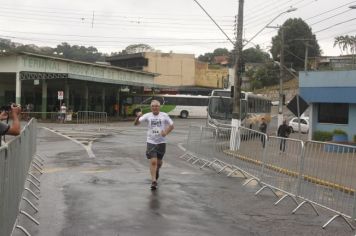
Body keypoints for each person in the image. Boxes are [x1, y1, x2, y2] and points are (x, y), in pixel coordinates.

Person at [134, 100, 174, 190]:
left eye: (156, 106)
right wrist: (138, 117)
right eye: (153, 106)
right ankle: (153, 181)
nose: (155, 108)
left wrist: (166, 132)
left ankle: (157, 170)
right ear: (151, 107)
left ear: (159, 107)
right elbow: (136, 124)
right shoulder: (148, 115)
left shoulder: (164, 115)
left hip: (161, 142)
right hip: (151, 141)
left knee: (159, 163)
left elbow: (172, 125)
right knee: (153, 162)